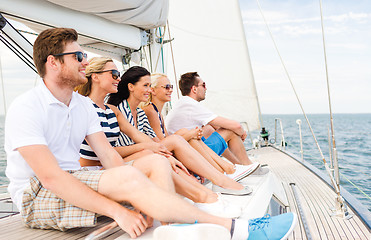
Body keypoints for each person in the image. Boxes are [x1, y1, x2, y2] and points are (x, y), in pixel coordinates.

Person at [4, 27, 296, 240]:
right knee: (136, 172)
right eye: (78, 55)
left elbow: (109, 157)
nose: (84, 60)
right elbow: (51, 178)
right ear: (53, 62)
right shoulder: (27, 108)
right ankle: (234, 229)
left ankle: (169, 230)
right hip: (35, 193)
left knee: (155, 162)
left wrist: (134, 192)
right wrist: (120, 209)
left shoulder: (81, 106)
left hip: (74, 178)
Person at [75, 57, 241, 218]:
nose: (118, 79)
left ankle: (207, 193)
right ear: (95, 77)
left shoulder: (112, 110)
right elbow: (99, 154)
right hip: (95, 171)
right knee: (154, 152)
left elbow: (139, 136)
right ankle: (203, 194)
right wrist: (150, 148)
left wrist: (162, 151)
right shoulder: (84, 107)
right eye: (114, 75)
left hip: (112, 164)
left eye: (118, 75)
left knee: (159, 152)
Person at [107, 66, 256, 195]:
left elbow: (157, 142)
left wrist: (169, 150)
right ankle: (225, 173)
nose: (149, 90)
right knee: (185, 136)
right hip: (128, 160)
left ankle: (226, 171)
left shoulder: (139, 113)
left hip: (146, 153)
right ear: (131, 87)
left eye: (149, 86)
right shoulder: (121, 111)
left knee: (188, 136)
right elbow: (116, 150)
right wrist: (183, 138)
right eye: (146, 86)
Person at [142, 73, 255, 182]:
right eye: (167, 87)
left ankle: (232, 167)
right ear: (153, 90)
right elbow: (162, 145)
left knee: (205, 130)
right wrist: (190, 134)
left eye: (171, 86)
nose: (170, 90)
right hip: (180, 154)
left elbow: (167, 139)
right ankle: (236, 167)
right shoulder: (152, 111)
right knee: (221, 132)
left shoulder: (158, 112)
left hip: (183, 150)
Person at [166, 72, 264, 171]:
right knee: (230, 131)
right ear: (194, 89)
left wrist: (236, 130)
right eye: (203, 85)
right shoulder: (191, 105)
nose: (206, 88)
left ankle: (237, 164)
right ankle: (248, 166)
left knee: (208, 128)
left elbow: (214, 125)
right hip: (190, 157)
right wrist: (241, 132)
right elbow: (236, 126)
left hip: (184, 153)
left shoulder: (183, 103)